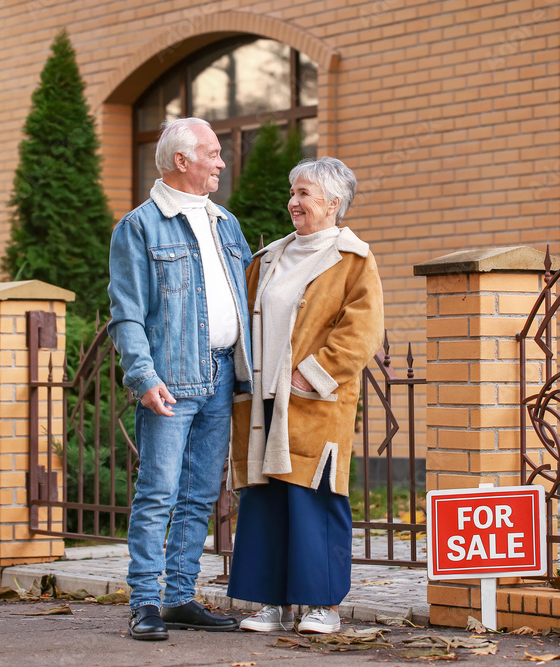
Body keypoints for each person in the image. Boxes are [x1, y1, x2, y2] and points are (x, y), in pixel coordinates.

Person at [107, 117, 252, 641]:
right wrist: (142, 376)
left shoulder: (224, 223)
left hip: (221, 376)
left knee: (199, 497)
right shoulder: (139, 226)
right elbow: (126, 313)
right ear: (182, 161)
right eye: (212, 153)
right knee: (159, 493)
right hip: (171, 381)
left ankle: (179, 598)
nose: (221, 161)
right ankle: (145, 600)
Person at [226, 156, 384, 634]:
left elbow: (363, 331)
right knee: (265, 501)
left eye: (305, 194)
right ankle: (271, 604)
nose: (293, 202)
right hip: (261, 399)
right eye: (293, 193)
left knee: (312, 499)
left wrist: (309, 375)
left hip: (313, 400)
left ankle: (323, 607)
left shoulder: (353, 258)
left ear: (334, 203)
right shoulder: (269, 258)